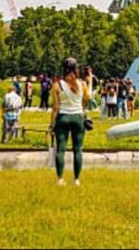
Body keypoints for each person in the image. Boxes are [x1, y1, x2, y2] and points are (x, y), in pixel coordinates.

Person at [50, 57, 90, 186]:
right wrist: (89, 81)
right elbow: (87, 98)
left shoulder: (57, 85)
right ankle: (76, 179)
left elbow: (55, 107)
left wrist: (52, 124)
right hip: (78, 117)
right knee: (78, 149)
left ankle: (60, 179)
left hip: (63, 117)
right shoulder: (82, 84)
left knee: (60, 149)